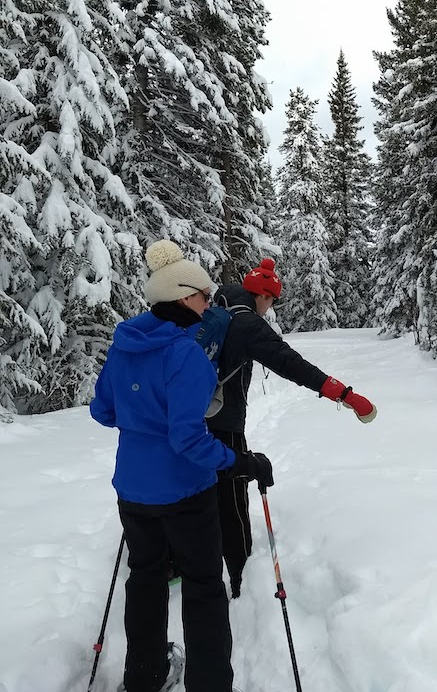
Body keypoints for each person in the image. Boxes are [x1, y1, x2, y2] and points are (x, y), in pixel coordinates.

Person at [89, 240, 273, 692]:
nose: (210, 304)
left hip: (133, 491)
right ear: (182, 297)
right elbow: (187, 437)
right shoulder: (186, 353)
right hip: (186, 492)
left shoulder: (125, 343)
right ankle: (210, 683)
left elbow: (104, 411)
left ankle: (145, 678)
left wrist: (141, 414)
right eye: (204, 296)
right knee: (204, 586)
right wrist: (236, 460)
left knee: (146, 580)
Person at [205, 258, 377, 598]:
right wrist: (344, 395)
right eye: (272, 301)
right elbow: (292, 365)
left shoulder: (212, 309)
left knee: (195, 490)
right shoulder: (248, 324)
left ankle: (179, 560)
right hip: (224, 422)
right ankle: (240, 575)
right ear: (265, 297)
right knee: (232, 498)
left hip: (187, 419)